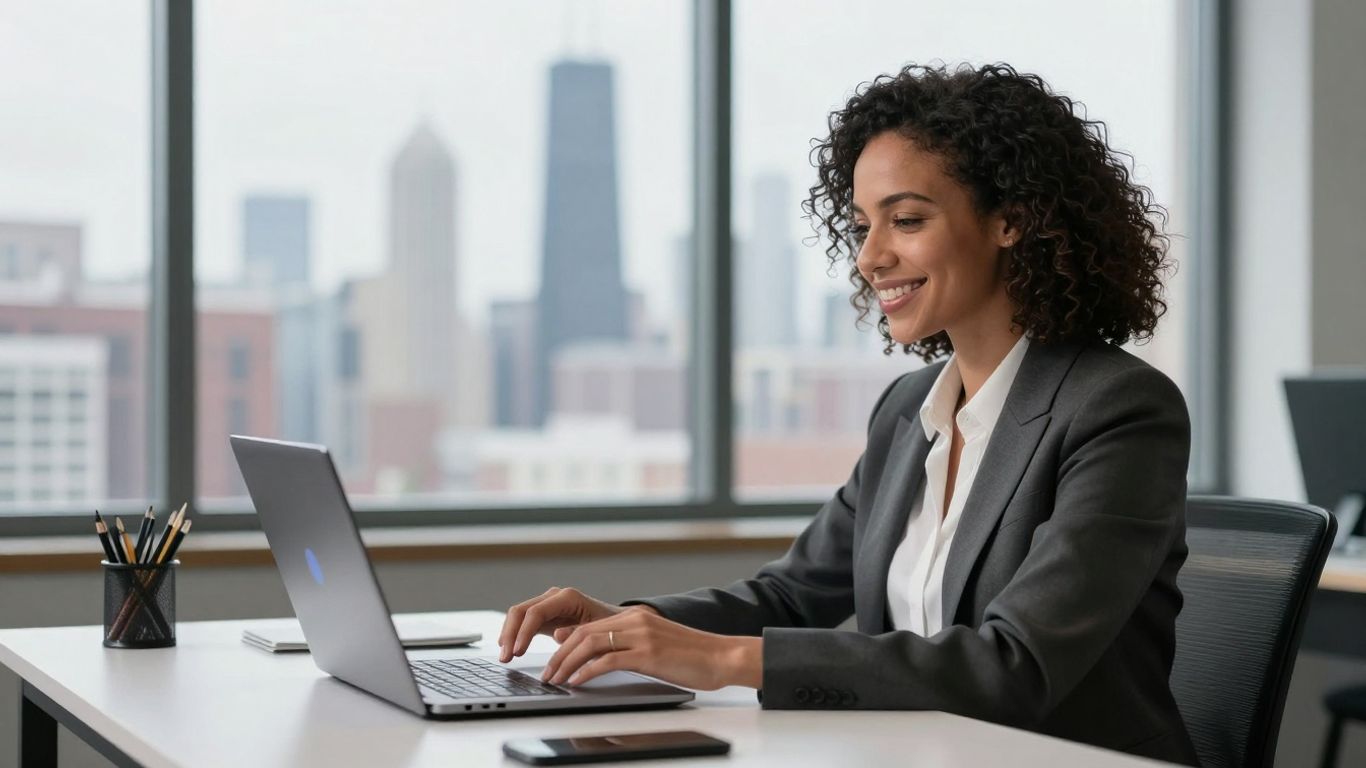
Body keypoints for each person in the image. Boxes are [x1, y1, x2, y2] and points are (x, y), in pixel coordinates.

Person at [498, 62, 1198, 765]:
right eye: (863, 226)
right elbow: (794, 593)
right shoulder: (907, 410)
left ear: (1011, 220)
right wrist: (627, 625)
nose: (870, 257)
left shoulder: (1118, 410)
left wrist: (724, 660)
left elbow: (1013, 666)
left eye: (907, 220)